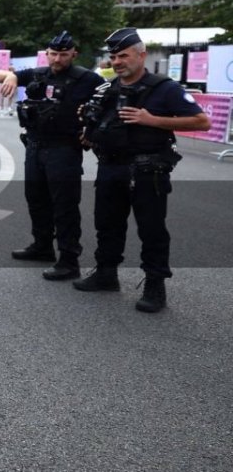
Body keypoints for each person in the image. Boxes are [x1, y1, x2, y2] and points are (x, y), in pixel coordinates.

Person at [74, 28, 209, 312]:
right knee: (107, 224)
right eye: (113, 57)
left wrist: (152, 119)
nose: (117, 61)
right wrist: (90, 128)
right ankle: (106, 273)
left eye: (123, 55)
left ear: (141, 54)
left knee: (151, 230)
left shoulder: (165, 88)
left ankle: (155, 285)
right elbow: (104, 123)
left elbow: (201, 122)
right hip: (110, 166)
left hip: (148, 171)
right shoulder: (108, 88)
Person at [0, 31, 104, 280]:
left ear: (74, 53)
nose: (57, 59)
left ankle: (69, 259)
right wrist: (10, 75)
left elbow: (109, 100)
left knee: (64, 206)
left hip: (64, 149)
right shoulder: (39, 73)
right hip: (35, 146)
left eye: (63, 54)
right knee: (36, 199)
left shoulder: (86, 78)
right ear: (47, 53)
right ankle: (42, 246)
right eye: (53, 54)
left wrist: (93, 131)